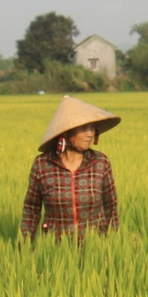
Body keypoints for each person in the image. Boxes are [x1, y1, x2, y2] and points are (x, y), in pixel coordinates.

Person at [21, 96, 121, 239]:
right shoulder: (43, 164)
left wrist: (114, 242)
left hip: (96, 245)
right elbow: (31, 209)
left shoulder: (100, 162)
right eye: (84, 128)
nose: (90, 133)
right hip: (55, 247)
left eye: (92, 128)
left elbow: (110, 206)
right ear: (66, 132)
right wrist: (25, 245)